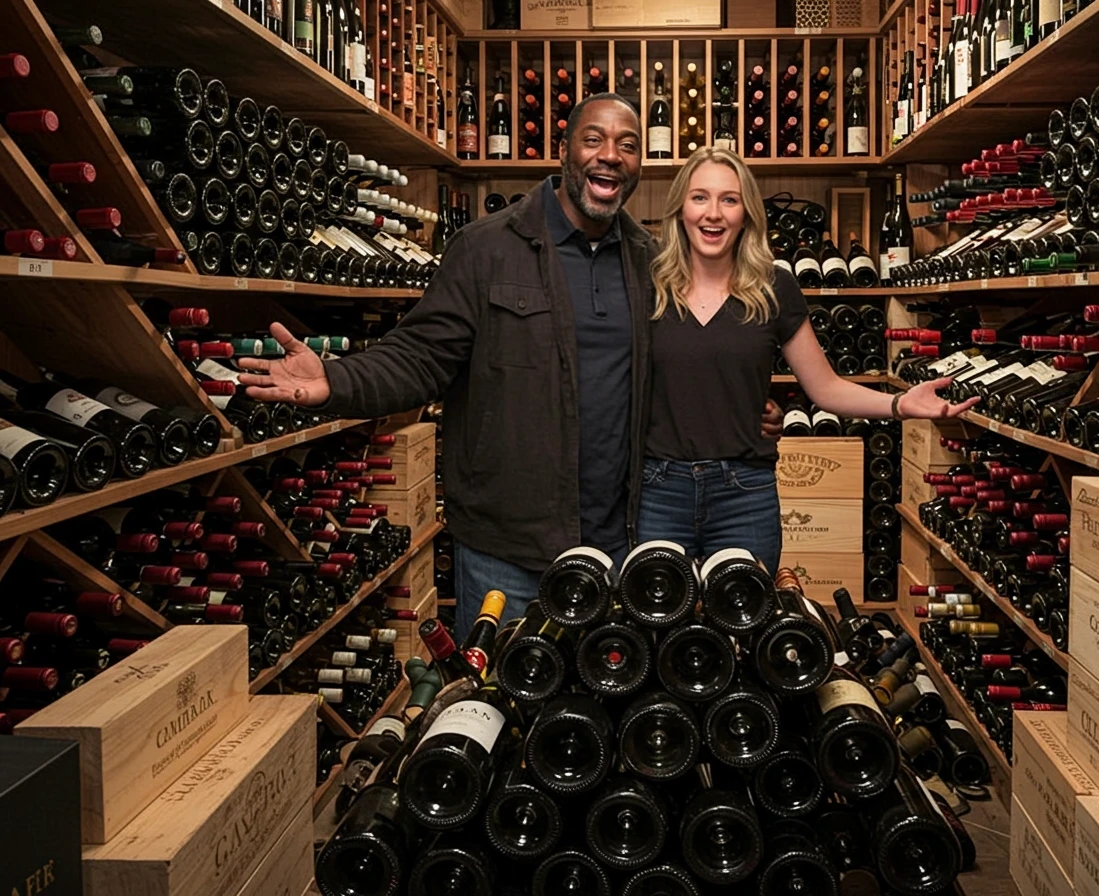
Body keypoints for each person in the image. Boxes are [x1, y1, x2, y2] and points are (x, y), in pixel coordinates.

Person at [237, 96, 781, 636]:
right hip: (508, 550)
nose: (610, 155)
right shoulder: (486, 248)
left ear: (641, 165)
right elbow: (422, 356)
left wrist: (742, 410)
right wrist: (336, 379)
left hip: (620, 546)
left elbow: (682, 365)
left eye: (627, 145)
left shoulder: (651, 261)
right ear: (563, 151)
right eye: (594, 140)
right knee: (499, 707)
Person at [636, 147, 977, 574]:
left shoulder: (773, 287)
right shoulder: (647, 287)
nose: (714, 213)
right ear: (680, 208)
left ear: (747, 213)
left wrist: (899, 404)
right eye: (700, 197)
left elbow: (825, 387)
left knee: (749, 630)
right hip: (660, 491)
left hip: (744, 492)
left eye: (730, 199)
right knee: (660, 633)